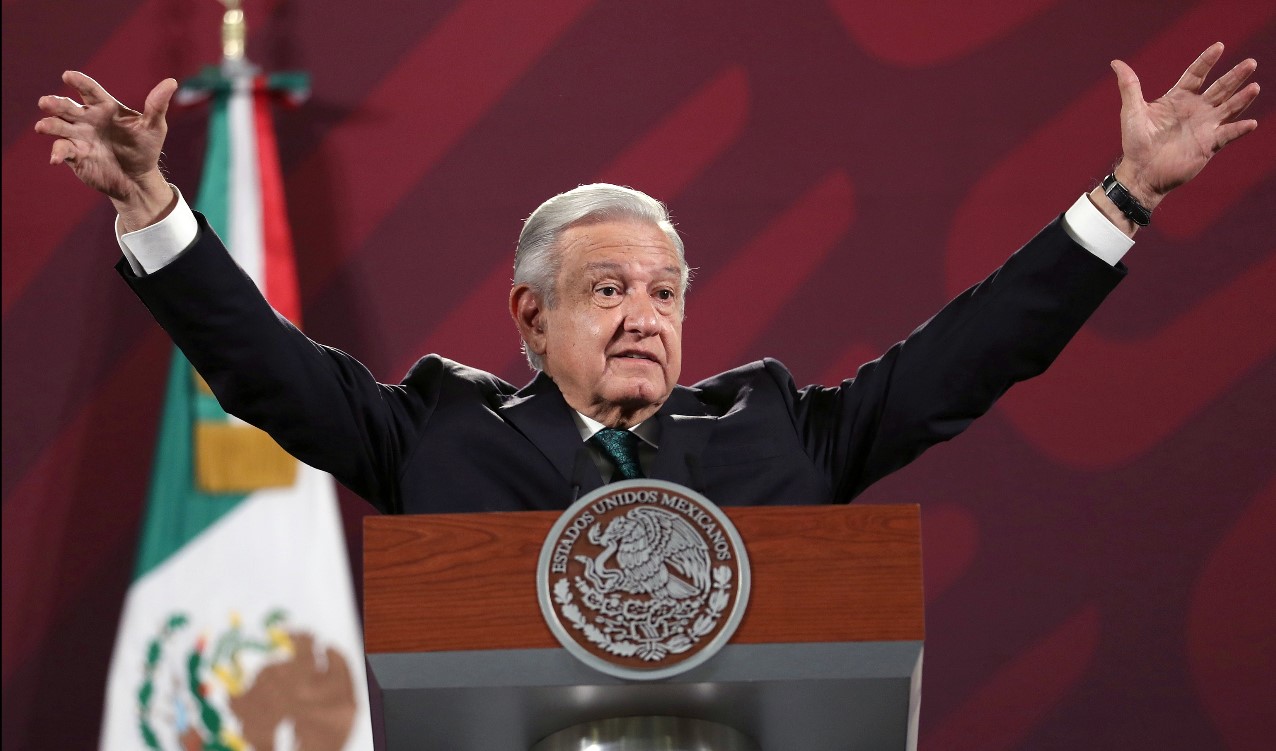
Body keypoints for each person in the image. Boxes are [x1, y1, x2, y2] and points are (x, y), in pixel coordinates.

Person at [34, 44, 1259, 514]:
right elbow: (262, 365)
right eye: (608, 287)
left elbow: (974, 351)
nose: (644, 315)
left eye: (664, 290)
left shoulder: (781, 430)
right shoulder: (434, 433)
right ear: (531, 315)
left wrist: (1127, 198)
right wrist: (152, 206)